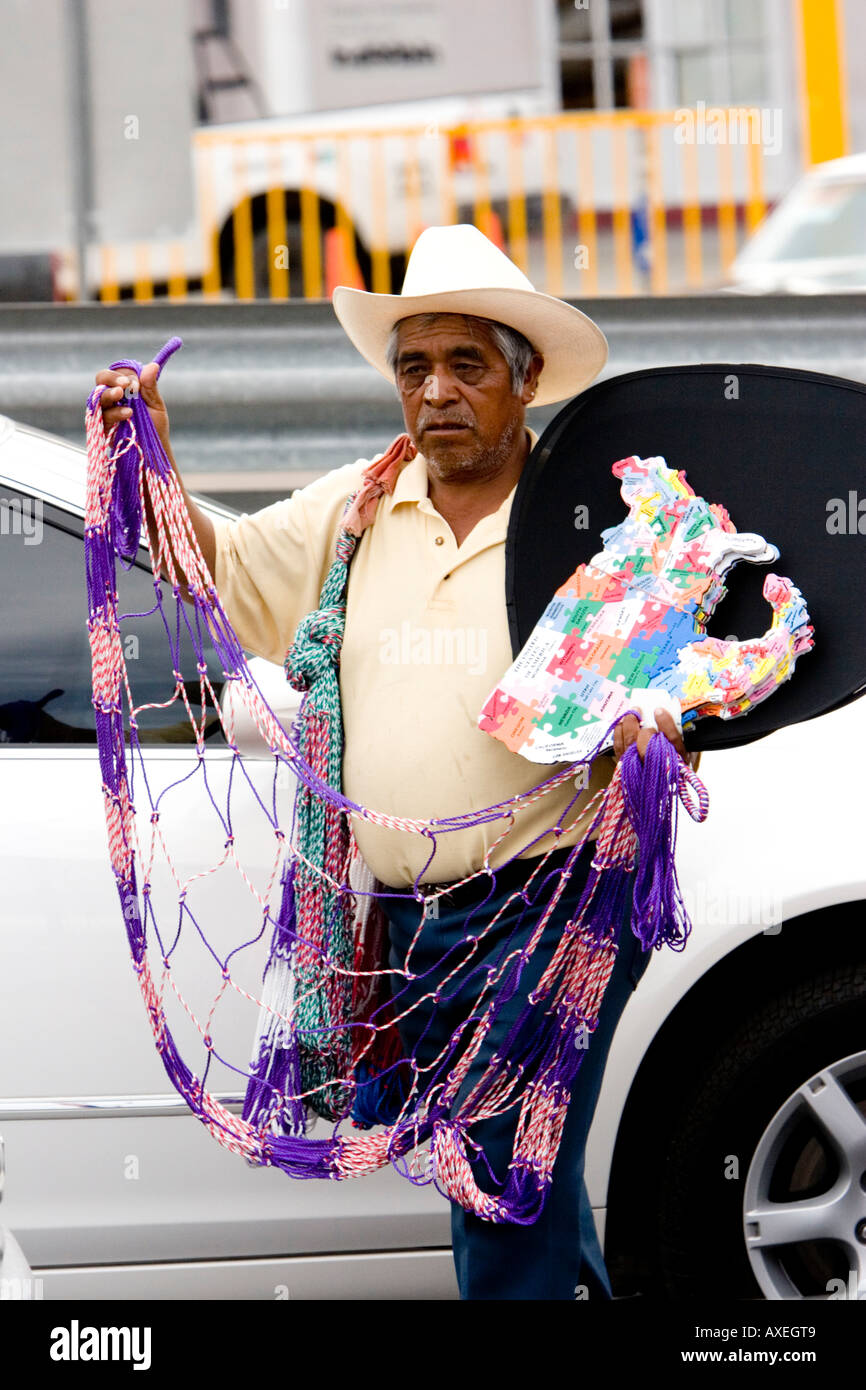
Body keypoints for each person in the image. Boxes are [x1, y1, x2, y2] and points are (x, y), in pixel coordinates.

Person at [94, 224, 693, 1300]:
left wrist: (653, 721)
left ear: (526, 382)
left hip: (558, 899)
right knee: (518, 1180)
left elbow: (676, 683)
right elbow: (214, 568)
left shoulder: (591, 523)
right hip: (412, 925)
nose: (435, 392)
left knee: (494, 1169)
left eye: (466, 365)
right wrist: (150, 456)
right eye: (414, 366)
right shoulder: (354, 511)